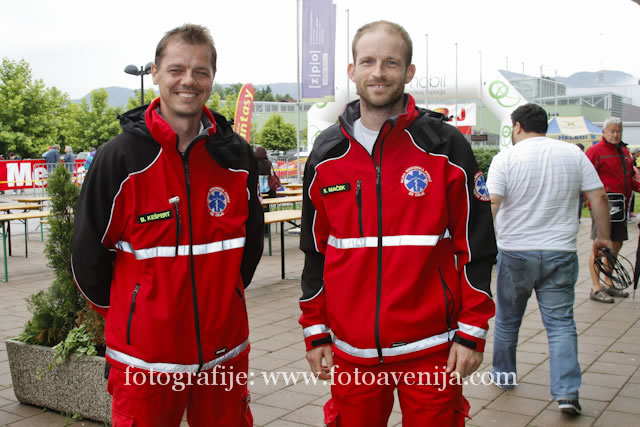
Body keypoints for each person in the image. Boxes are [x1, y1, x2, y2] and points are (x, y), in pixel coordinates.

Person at [299, 20, 496, 426]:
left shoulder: (445, 146)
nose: (378, 72)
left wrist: (472, 331)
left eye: (391, 62)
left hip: (432, 349)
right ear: (352, 70)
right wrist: (315, 329)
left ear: (409, 72)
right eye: (368, 61)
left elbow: (476, 247)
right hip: (352, 351)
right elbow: (315, 252)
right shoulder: (326, 153)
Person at [71, 24, 263, 426]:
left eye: (200, 71)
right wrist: (133, 317)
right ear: (156, 73)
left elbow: (250, 245)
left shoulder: (236, 155)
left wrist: (225, 298)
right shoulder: (119, 158)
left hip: (224, 354)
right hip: (144, 361)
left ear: (212, 78)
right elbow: (87, 257)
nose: (188, 81)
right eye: (176, 69)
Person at [486, 103, 611, 416]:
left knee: (507, 320)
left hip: (515, 252)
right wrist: (603, 237)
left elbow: (493, 203)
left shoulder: (505, 158)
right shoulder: (573, 155)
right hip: (561, 252)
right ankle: (567, 393)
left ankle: (503, 375)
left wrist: (482, 246)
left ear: (517, 126)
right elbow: (598, 196)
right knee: (561, 324)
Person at [585, 117, 632, 303]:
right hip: (602, 207)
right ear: (603, 132)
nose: (615, 134)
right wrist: (591, 201)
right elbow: (585, 177)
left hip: (620, 207)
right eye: (612, 131)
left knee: (616, 244)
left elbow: (630, 177)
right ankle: (596, 287)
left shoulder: (624, 152)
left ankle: (609, 283)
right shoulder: (595, 151)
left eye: (618, 131)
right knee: (600, 247)